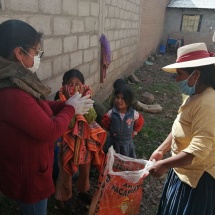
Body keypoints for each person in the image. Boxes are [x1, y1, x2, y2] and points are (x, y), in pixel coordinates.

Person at [0, 19, 94, 215]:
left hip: (28, 165)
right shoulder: (11, 92)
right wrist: (70, 110)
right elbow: (50, 132)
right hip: (28, 176)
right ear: (19, 53)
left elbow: (37, 106)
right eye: (36, 52)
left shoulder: (16, 79)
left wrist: (64, 104)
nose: (37, 56)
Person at [149, 42, 215, 215]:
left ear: (196, 75)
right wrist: (160, 150)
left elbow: (198, 150)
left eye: (180, 74)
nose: (176, 79)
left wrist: (164, 164)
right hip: (181, 172)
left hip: (197, 182)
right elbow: (180, 125)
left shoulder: (208, 104)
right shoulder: (194, 96)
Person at [54, 69, 107, 211]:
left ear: (83, 85)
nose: (74, 87)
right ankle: (62, 198)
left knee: (85, 171)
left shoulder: (87, 98)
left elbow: (90, 118)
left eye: (78, 83)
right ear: (63, 86)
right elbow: (69, 124)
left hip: (84, 144)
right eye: (69, 83)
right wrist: (71, 105)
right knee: (65, 172)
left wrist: (81, 104)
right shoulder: (59, 100)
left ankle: (83, 192)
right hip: (67, 144)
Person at [101, 85, 144, 158]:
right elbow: (105, 121)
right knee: (111, 159)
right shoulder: (112, 113)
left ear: (129, 100)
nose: (119, 101)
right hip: (113, 142)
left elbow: (140, 122)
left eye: (123, 98)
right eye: (117, 97)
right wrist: (111, 129)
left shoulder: (133, 114)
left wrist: (134, 132)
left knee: (125, 160)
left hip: (126, 144)